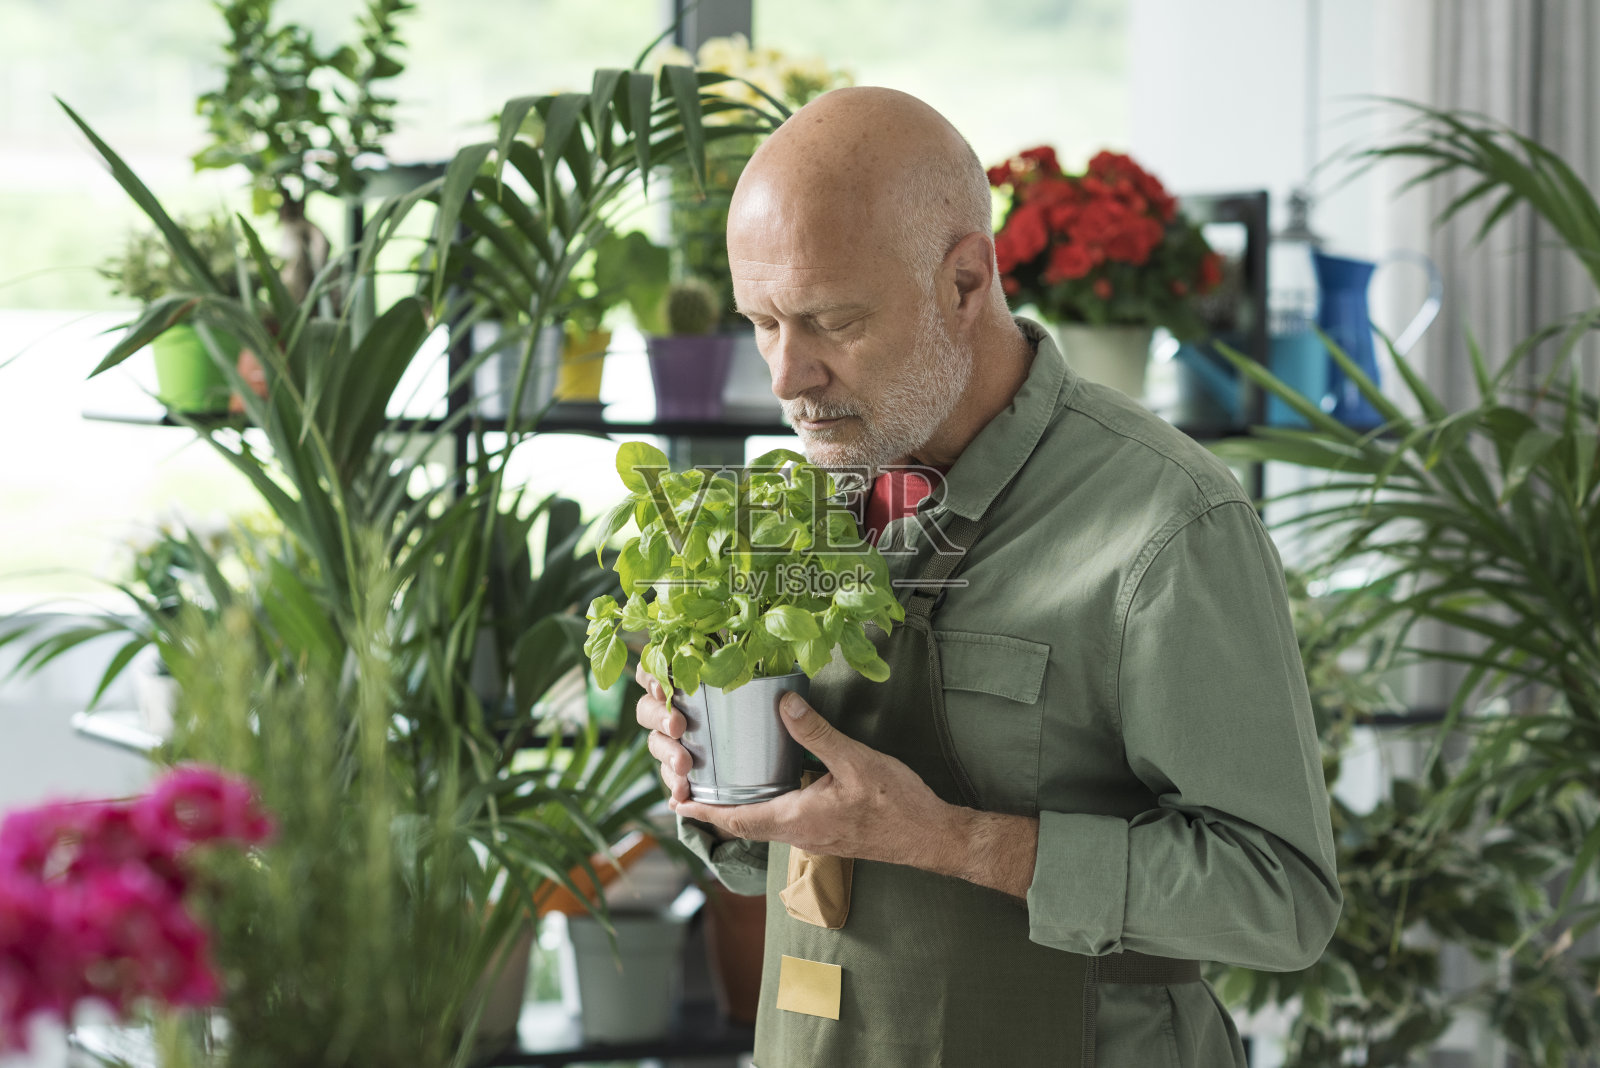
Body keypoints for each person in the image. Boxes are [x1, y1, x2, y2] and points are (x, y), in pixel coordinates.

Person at [634, 86, 1340, 1068]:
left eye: (830, 321)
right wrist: (720, 784)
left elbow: (1280, 905)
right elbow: (781, 857)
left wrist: (955, 841)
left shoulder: (1167, 524)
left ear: (966, 282)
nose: (786, 378)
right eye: (762, 322)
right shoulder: (798, 508)